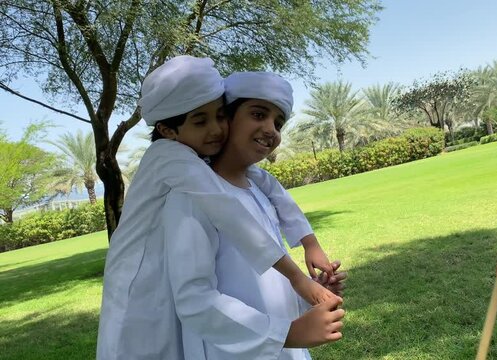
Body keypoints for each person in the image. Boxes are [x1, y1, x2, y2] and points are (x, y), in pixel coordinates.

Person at [97, 56, 338, 359]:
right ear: (168, 130)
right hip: (141, 293)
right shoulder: (182, 178)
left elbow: (272, 199)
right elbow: (197, 296)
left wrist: (311, 294)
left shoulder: (254, 185)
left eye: (219, 116)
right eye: (201, 121)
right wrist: (296, 285)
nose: (216, 129)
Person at [164, 71, 344, 359]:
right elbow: (193, 300)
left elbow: (265, 281)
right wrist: (288, 334)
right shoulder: (189, 197)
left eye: (278, 122)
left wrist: (309, 295)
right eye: (259, 114)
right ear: (226, 119)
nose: (271, 129)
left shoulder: (259, 190)